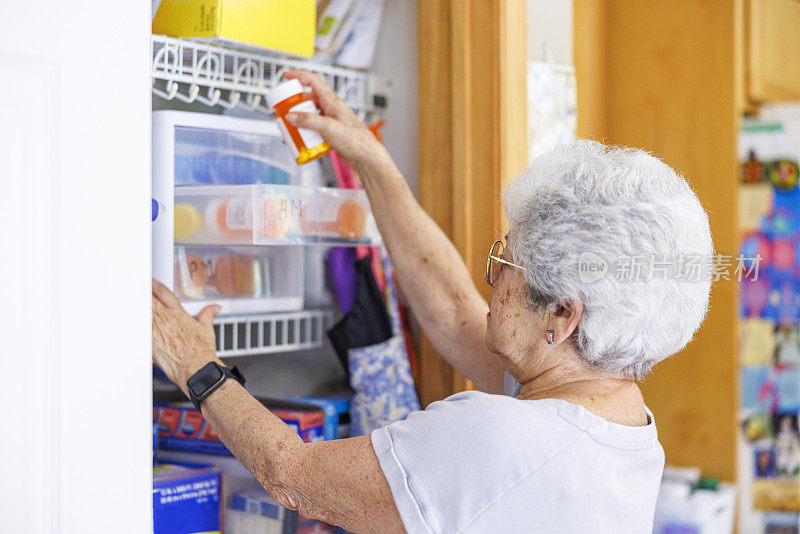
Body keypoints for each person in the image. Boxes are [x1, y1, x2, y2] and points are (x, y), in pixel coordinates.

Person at [152, 70, 714, 533]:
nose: (489, 278)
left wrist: (194, 364)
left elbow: (293, 474)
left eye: (505, 265)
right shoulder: (620, 419)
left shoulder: (498, 437)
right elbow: (450, 310)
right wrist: (370, 162)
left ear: (563, 316)